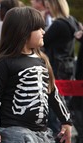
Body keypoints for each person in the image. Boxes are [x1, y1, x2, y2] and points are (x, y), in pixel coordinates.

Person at [0, 7, 72, 143]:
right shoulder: (4, 62)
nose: (43, 32)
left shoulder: (42, 60)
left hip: (42, 133)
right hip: (14, 133)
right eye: (38, 28)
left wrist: (66, 120)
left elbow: (53, 92)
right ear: (23, 32)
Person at [43, 0, 79, 137]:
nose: (47, 10)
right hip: (68, 66)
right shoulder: (72, 21)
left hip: (56, 67)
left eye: (48, 7)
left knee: (54, 109)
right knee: (64, 105)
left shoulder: (58, 24)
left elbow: (43, 40)